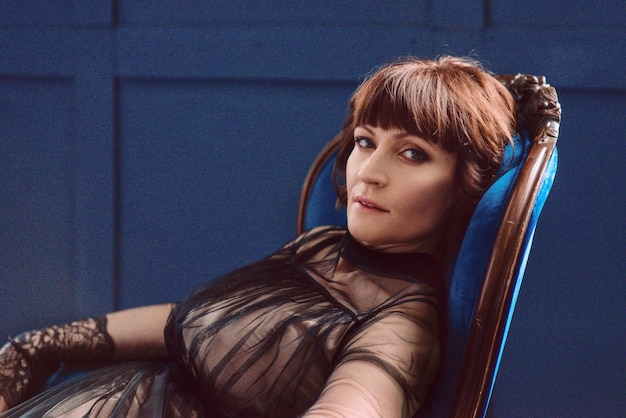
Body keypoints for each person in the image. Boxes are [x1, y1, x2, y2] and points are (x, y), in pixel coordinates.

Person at [0, 55, 516, 418]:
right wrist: (40, 346)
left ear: (464, 187)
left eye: (412, 154)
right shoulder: (322, 247)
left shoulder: (402, 325)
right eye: (365, 141)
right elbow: (189, 322)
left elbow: (356, 402)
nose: (368, 172)